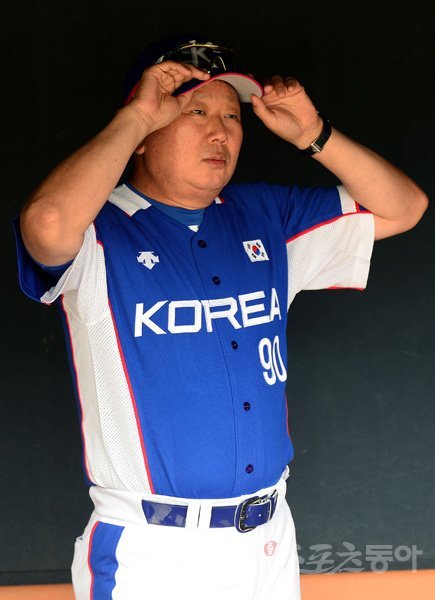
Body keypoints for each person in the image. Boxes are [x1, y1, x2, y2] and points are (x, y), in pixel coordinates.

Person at [15, 34, 427, 599]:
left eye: (232, 116)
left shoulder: (266, 214)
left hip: (267, 538)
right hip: (153, 550)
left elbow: (405, 207)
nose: (220, 132)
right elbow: (45, 224)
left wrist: (313, 134)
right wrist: (136, 117)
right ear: (145, 132)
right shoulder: (97, 227)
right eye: (195, 112)